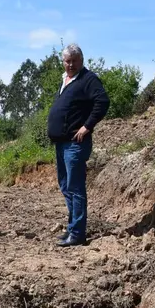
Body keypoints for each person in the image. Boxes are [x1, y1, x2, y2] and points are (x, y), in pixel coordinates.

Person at [47, 43, 109, 247]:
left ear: (82, 60)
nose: (71, 64)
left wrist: (86, 126)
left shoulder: (88, 79)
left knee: (75, 187)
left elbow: (102, 102)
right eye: (67, 61)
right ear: (63, 62)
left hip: (75, 143)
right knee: (66, 186)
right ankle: (73, 228)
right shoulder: (65, 80)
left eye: (75, 60)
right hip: (61, 143)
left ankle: (78, 233)